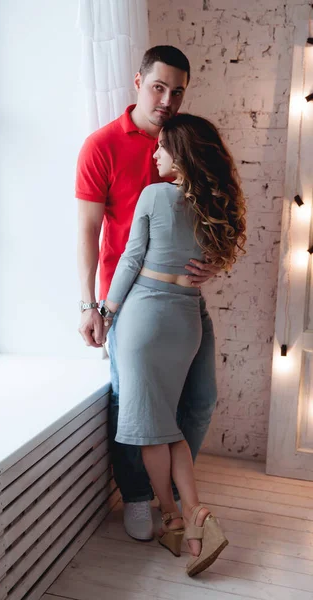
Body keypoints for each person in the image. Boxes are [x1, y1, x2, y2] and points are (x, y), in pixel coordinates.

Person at [76, 46, 220, 541]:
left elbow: (216, 225)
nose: (167, 99)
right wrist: (92, 307)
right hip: (129, 299)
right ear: (138, 81)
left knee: (200, 400)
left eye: (177, 91)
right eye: (159, 87)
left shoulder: (186, 142)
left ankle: (175, 497)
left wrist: (214, 264)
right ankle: (142, 497)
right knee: (128, 403)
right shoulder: (102, 145)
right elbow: (88, 230)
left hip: (183, 300)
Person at [101, 113, 246, 575]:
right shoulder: (211, 206)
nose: (155, 153)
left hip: (146, 317)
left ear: (180, 155)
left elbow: (129, 260)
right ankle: (196, 510)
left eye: (162, 147)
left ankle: (171, 516)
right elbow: (212, 261)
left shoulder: (154, 195)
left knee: (150, 427)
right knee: (171, 427)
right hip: (186, 321)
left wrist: (104, 312)